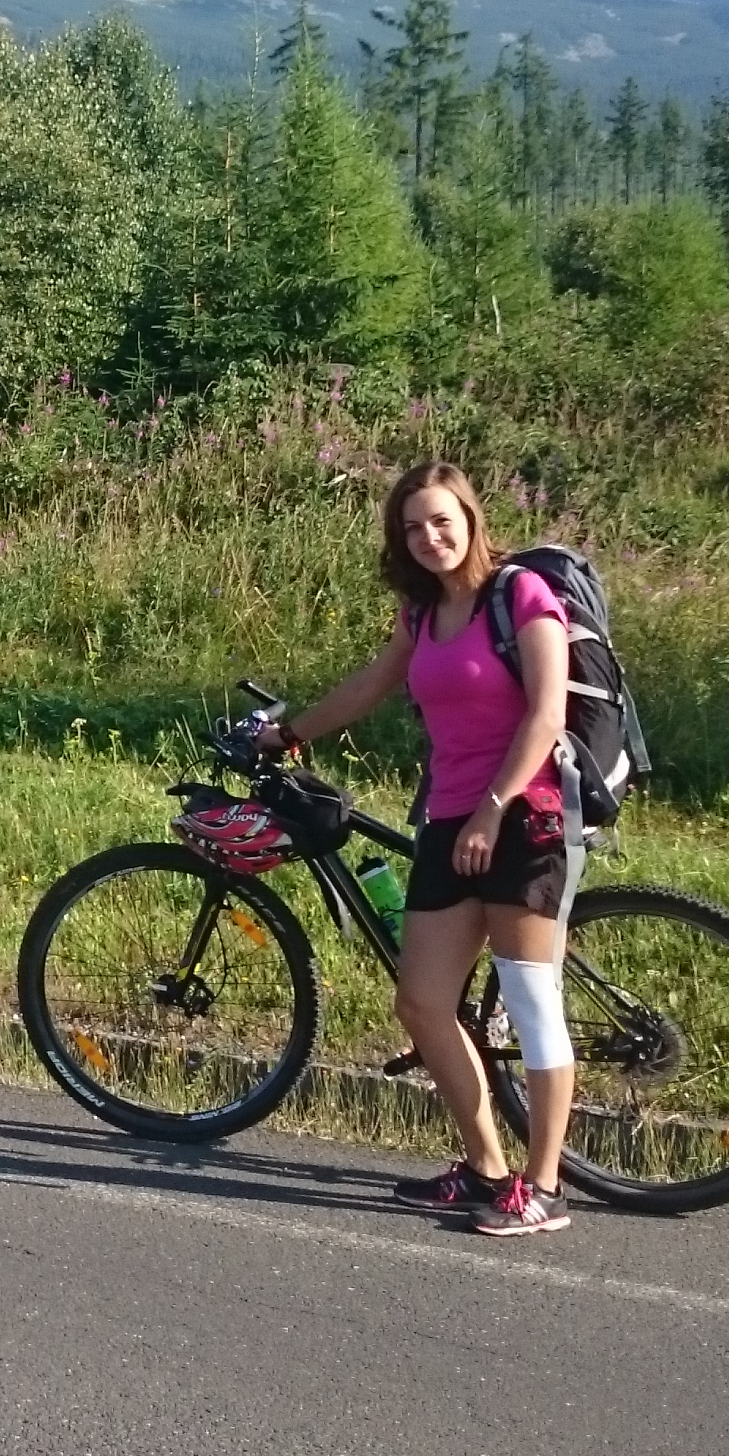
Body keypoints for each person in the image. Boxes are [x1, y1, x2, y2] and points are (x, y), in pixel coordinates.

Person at [261, 459, 582, 1236]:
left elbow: (546, 714)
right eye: (413, 527)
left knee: (533, 1005)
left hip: (522, 818)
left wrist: (492, 809)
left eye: (441, 520)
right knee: (422, 1001)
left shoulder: (520, 596)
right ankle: (485, 1168)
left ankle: (543, 1188)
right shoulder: (422, 614)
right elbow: (370, 686)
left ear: (470, 518)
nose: (429, 537)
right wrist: (289, 732)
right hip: (448, 820)